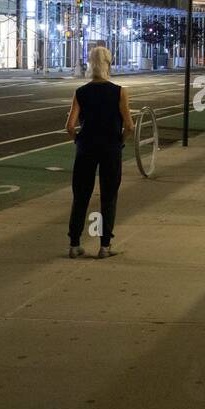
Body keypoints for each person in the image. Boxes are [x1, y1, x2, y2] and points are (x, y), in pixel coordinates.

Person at [65, 46, 135, 258]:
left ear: (90, 65)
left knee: (81, 195)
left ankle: (74, 244)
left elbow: (69, 126)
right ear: (108, 65)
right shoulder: (119, 91)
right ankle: (105, 246)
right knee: (109, 195)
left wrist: (78, 139)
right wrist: (120, 141)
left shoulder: (81, 92)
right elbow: (129, 126)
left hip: (86, 147)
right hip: (110, 147)